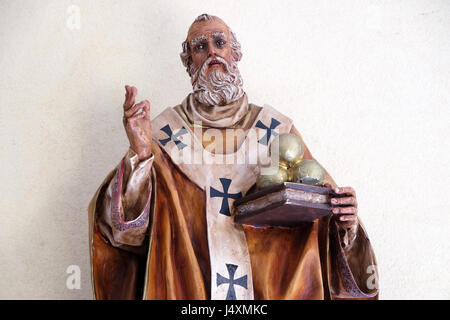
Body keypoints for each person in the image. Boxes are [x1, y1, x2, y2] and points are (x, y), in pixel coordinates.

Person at [88, 13, 378, 300]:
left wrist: (345, 222)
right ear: (189, 62)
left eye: (219, 42)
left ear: (235, 53)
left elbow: (322, 211)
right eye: (200, 47)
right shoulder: (164, 135)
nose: (212, 52)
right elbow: (124, 235)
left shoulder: (277, 133)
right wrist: (139, 154)